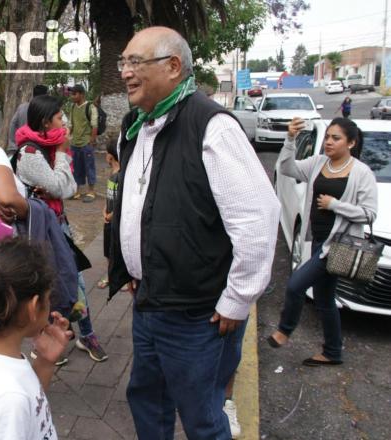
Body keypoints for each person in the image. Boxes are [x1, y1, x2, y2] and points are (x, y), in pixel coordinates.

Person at [109, 27, 280, 439]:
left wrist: (237, 300)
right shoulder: (137, 125)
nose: (126, 72)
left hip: (196, 315)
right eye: (123, 62)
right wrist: (134, 266)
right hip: (149, 299)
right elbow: (139, 204)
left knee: (201, 415)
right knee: (147, 398)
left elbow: (258, 218)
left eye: (136, 62)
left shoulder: (211, 126)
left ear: (173, 67)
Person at [267, 117, 377, 366]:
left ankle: (284, 330)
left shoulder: (361, 173)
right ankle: (333, 352)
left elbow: (369, 213)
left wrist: (334, 205)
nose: (328, 142)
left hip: (338, 246)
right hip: (319, 241)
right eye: (327, 137)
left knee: (296, 285)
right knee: (325, 299)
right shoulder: (318, 163)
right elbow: (287, 168)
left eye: (335, 138)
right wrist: (290, 139)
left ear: (350, 142)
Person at [15, 95, 108, 363]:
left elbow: (66, 187)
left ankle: (86, 335)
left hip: (59, 224)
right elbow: (62, 187)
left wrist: (60, 171)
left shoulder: (51, 147)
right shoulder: (30, 153)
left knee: (73, 279)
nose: (64, 121)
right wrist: (63, 157)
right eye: (58, 117)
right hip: (42, 229)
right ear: (45, 122)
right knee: (49, 284)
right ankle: (47, 339)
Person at [0, 238, 72, 440]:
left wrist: (45, 362)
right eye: (49, 298)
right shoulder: (7, 400)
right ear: (34, 306)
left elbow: (32, 404)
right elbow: (15, 401)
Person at [97, 139, 121, 290]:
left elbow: (122, 199)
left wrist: (112, 214)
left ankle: (121, 277)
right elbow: (110, 196)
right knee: (107, 249)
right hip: (109, 219)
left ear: (110, 156)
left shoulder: (121, 175)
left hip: (116, 219)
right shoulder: (112, 174)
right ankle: (110, 273)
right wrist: (105, 209)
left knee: (117, 248)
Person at [68, 84, 98, 202]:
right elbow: (71, 125)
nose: (72, 96)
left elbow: (94, 125)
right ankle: (77, 191)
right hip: (75, 143)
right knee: (76, 168)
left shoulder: (90, 107)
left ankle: (91, 191)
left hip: (86, 144)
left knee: (89, 167)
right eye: (72, 94)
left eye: (74, 94)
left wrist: (92, 141)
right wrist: (66, 136)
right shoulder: (73, 107)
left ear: (81, 94)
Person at [8, 84, 48, 154]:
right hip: (37, 148)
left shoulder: (22, 107)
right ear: (45, 96)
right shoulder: (45, 110)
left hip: (20, 145)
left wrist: (13, 144)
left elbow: (12, 124)